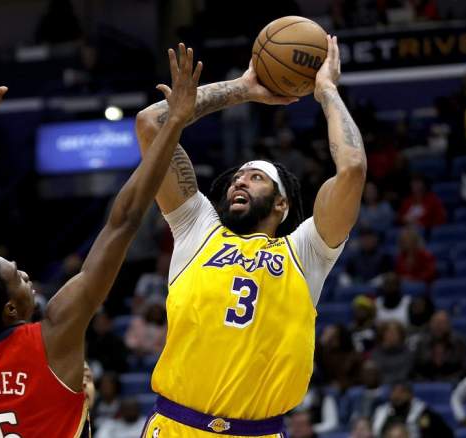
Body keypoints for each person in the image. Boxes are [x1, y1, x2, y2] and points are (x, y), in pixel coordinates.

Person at [0, 46, 202, 437]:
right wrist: (173, 124)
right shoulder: (54, 336)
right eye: (17, 276)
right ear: (8, 308)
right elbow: (122, 222)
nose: (24, 272)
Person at [135, 35, 365, 437]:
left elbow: (352, 170)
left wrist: (326, 90)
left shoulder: (307, 251)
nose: (239, 181)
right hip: (176, 427)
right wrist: (243, 90)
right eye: (237, 176)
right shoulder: (197, 227)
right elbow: (151, 123)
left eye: (256, 177)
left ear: (282, 205)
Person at [372, 382, 453, 438]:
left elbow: (445, 433)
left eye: (401, 392)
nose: (397, 396)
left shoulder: (423, 413)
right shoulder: (381, 412)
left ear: (410, 395)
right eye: (394, 392)